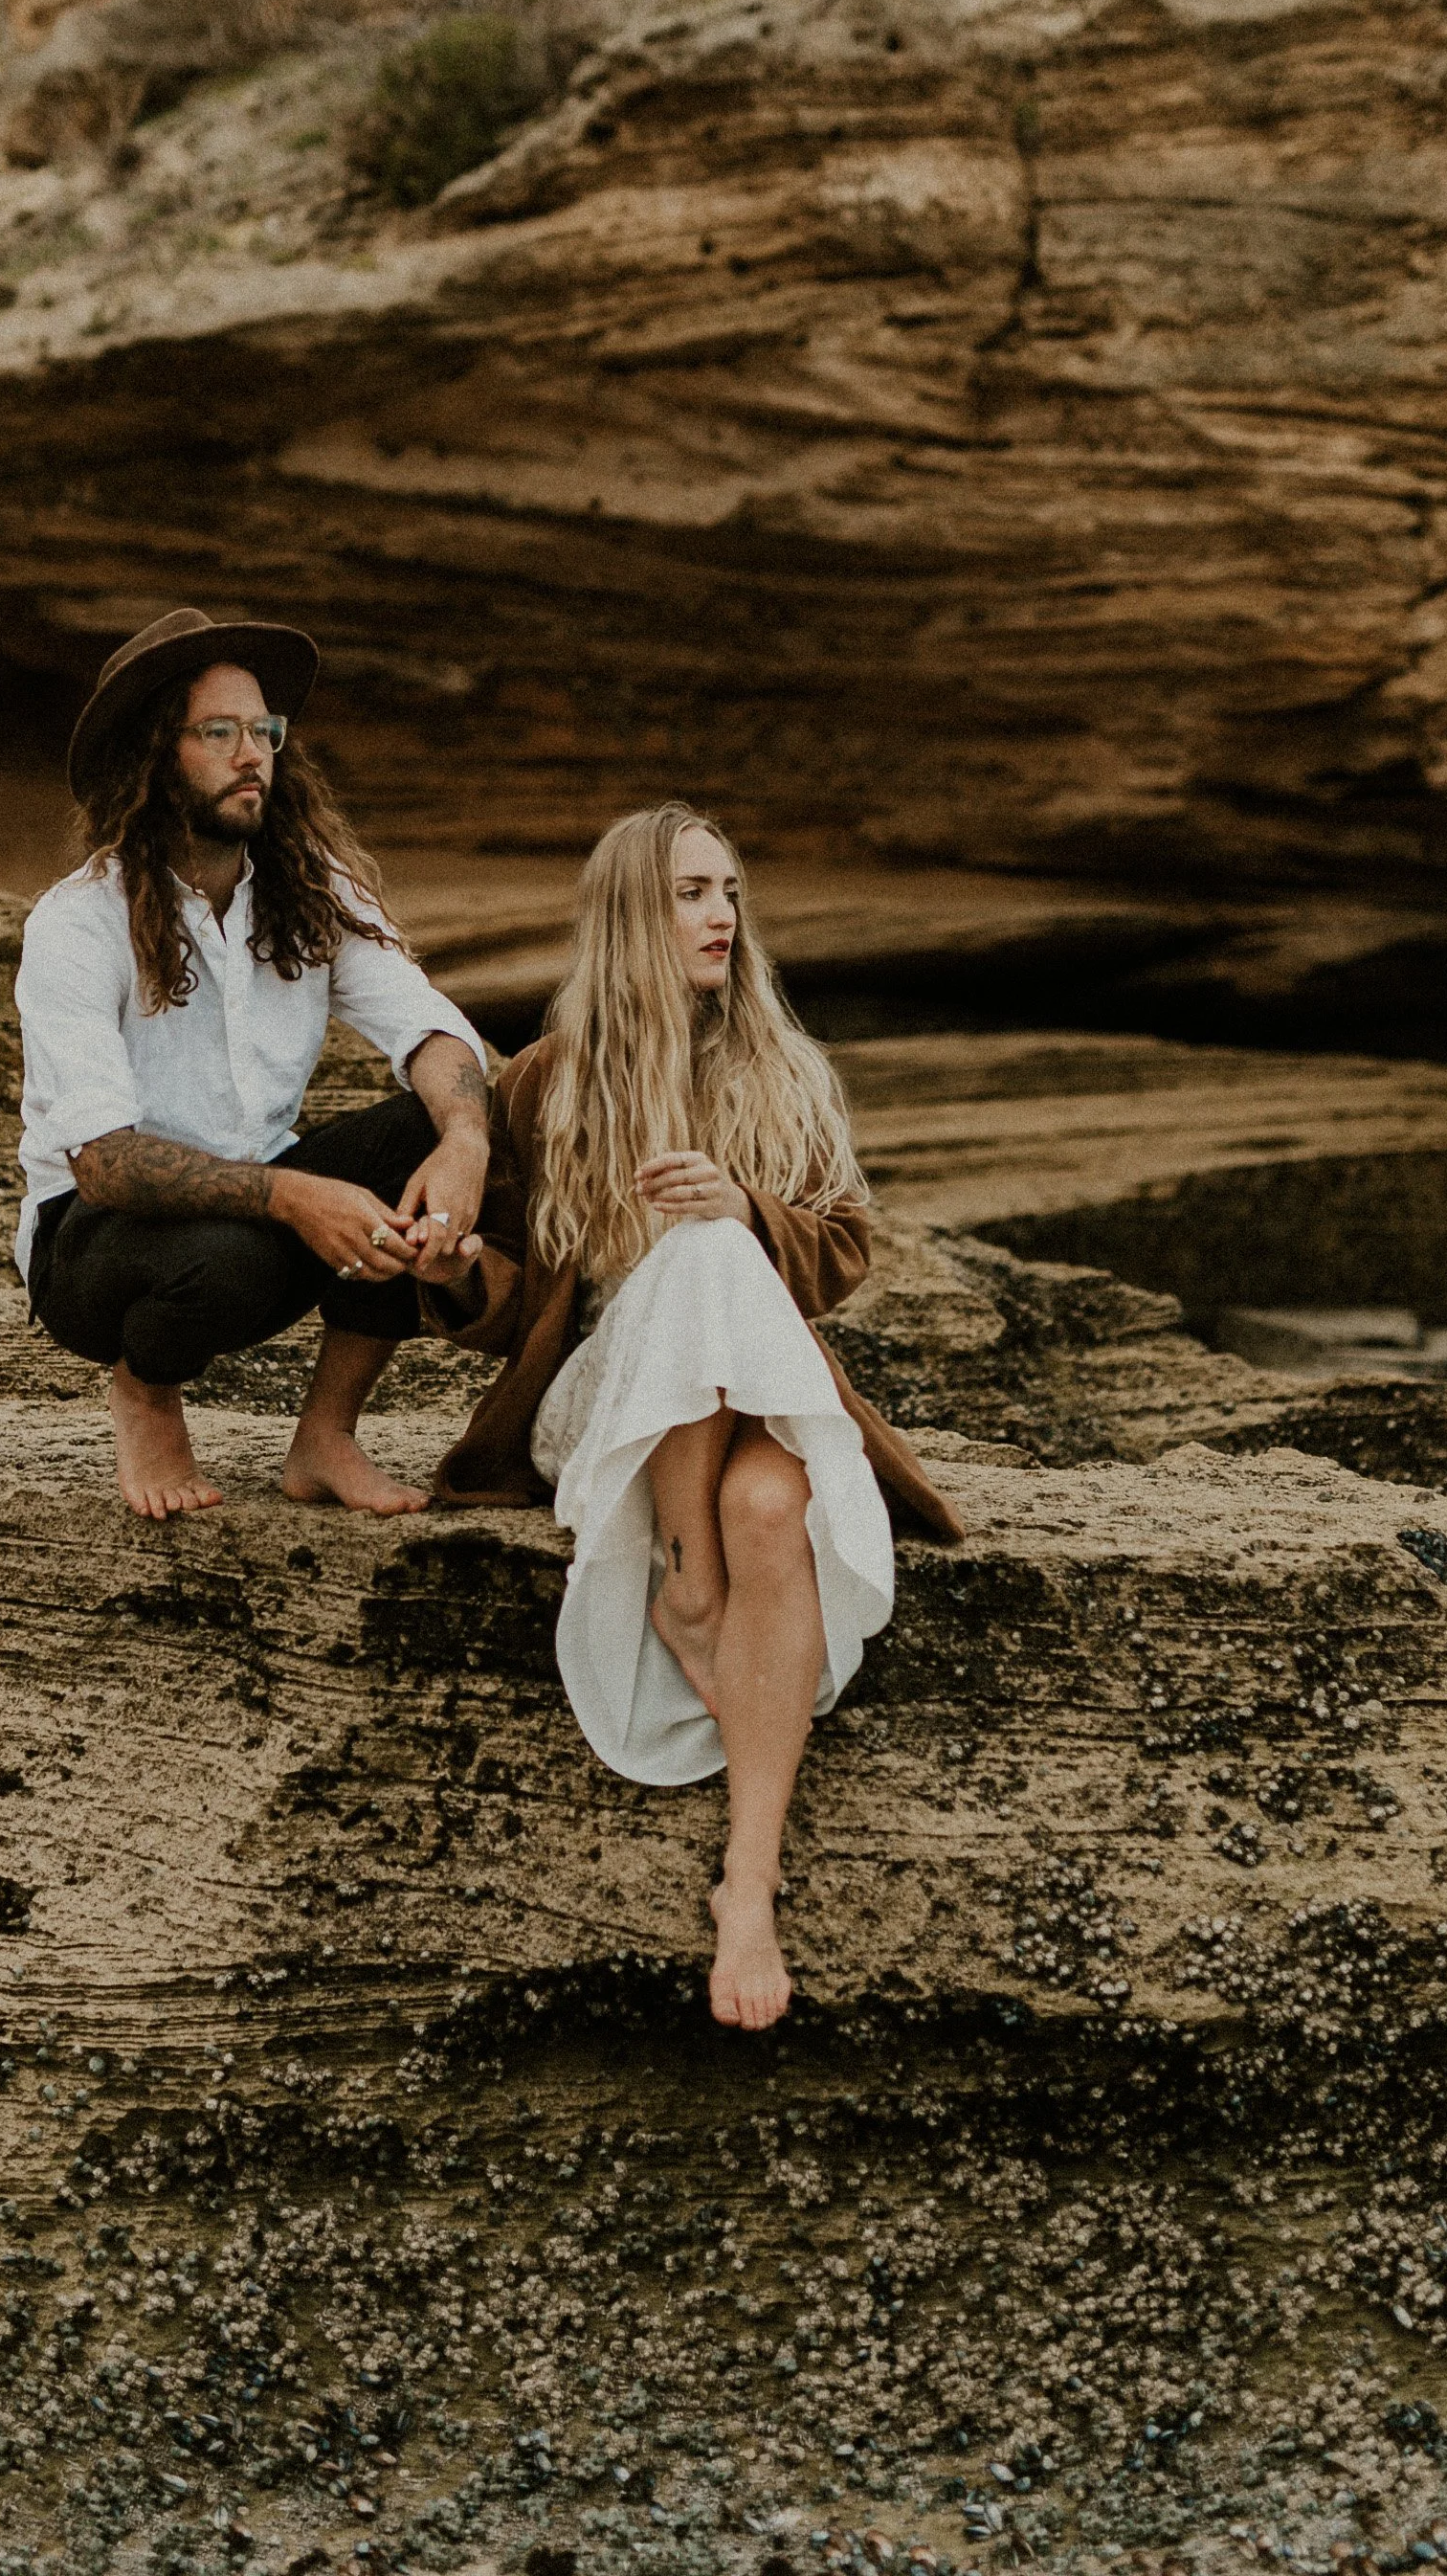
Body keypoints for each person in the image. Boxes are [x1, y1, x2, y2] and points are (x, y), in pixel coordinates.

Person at [424, 802, 963, 2032]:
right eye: (687, 894)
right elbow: (508, 1298)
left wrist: (748, 1208)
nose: (719, 915)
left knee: (772, 1499)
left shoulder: (781, 1064)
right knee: (696, 1263)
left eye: (727, 891)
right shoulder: (548, 1081)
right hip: (602, 1405)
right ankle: (687, 1587)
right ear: (627, 916)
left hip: (749, 1386)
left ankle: (748, 1888)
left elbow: (840, 1257)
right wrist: (449, 1269)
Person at [14, 607, 490, 1524]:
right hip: (97, 1245)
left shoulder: (309, 888)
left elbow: (427, 1026)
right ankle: (146, 1394)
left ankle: (326, 1438)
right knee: (224, 1262)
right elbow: (104, 1163)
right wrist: (301, 1198)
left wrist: (465, 1139)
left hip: (257, 1204)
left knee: (433, 1130)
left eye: (265, 730)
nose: (254, 754)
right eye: (220, 732)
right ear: (154, 754)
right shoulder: (78, 921)